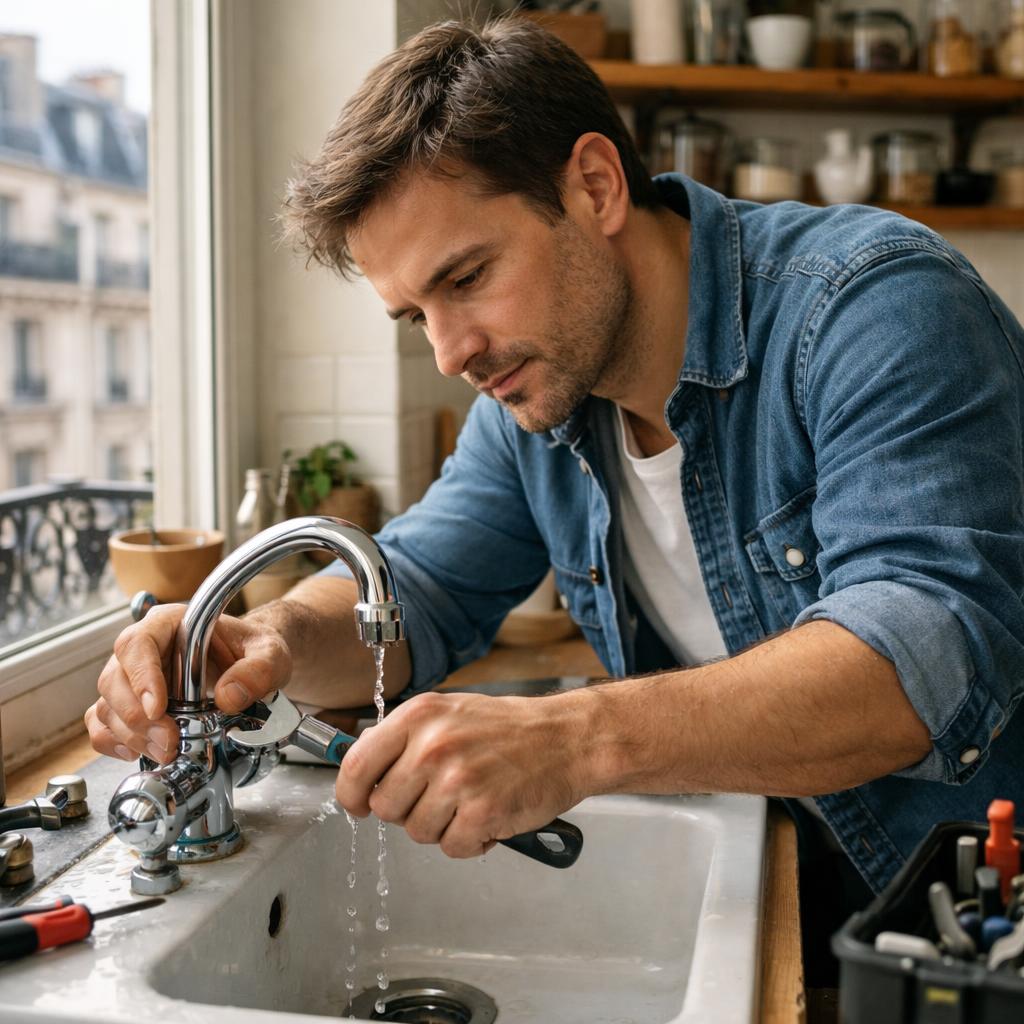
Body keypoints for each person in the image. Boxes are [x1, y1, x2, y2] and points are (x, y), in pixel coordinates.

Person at [86, 16, 1024, 979]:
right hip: (788, 879)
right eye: (417, 316)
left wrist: (576, 738)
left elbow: (923, 657)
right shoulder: (538, 403)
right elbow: (417, 588)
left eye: (468, 278)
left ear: (595, 186)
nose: (451, 353)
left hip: (974, 924)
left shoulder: (874, 306)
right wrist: (270, 641)